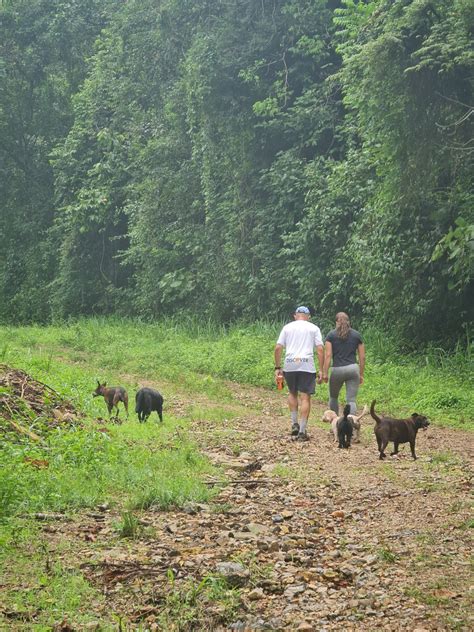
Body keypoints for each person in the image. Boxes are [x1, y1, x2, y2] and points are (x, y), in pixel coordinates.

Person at [274, 306, 324, 441]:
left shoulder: (287, 327)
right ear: (308, 316)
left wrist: (278, 367)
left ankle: (294, 423)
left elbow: (278, 347)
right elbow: (320, 349)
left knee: (292, 392)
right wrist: (321, 369)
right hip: (306, 364)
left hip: (290, 363)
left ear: (295, 315)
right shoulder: (314, 328)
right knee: (305, 397)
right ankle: (302, 431)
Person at [322, 312, 365, 416]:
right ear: (348, 322)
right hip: (353, 369)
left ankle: (335, 421)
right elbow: (362, 357)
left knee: (333, 397)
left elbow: (328, 355)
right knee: (351, 400)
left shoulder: (331, 335)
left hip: (337, 369)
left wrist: (325, 373)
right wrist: (361, 374)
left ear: (336, 322)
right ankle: (351, 422)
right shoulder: (357, 335)